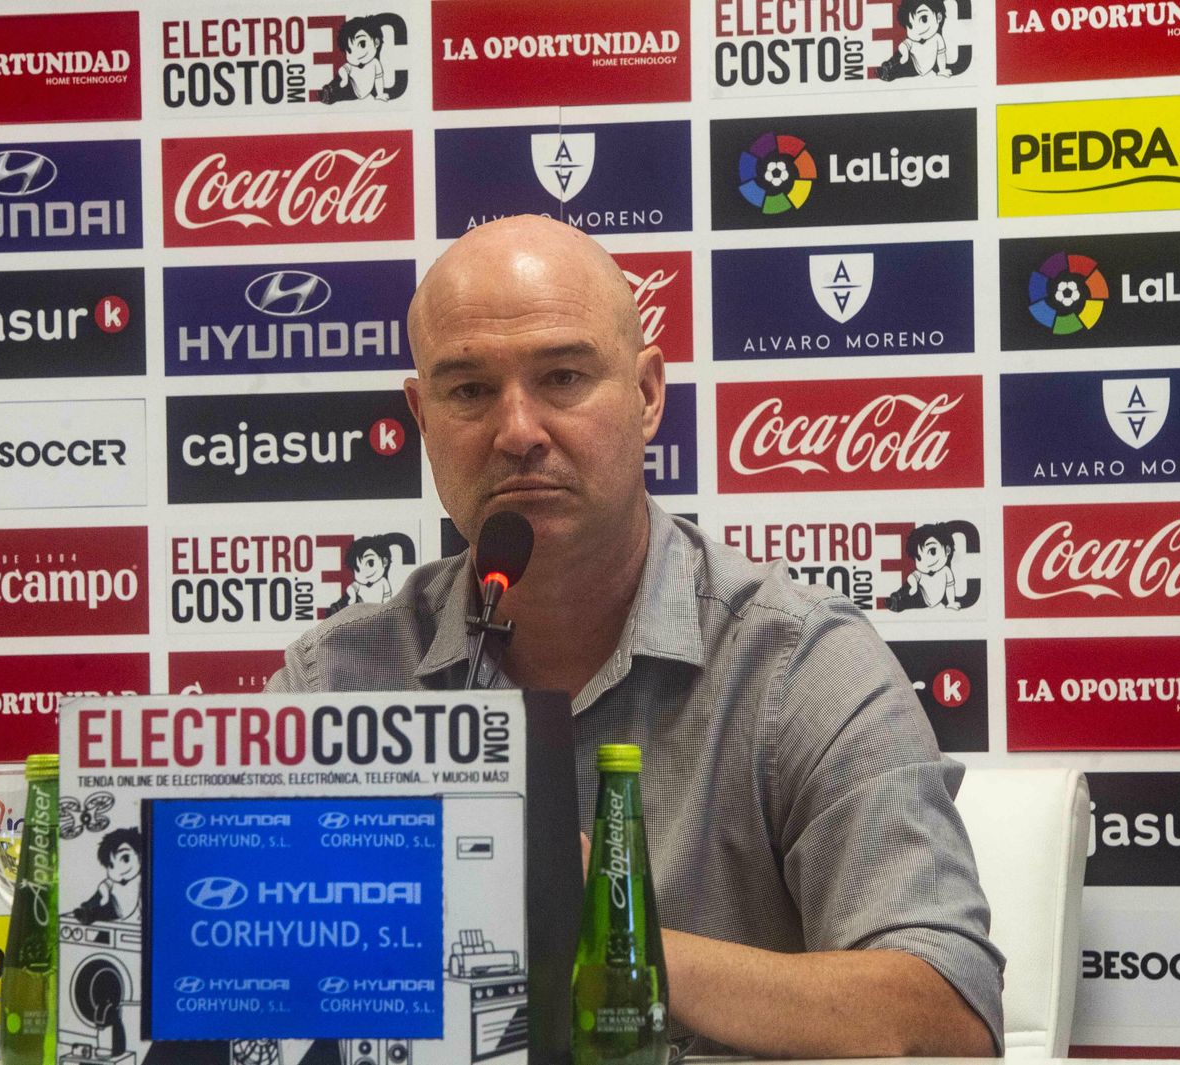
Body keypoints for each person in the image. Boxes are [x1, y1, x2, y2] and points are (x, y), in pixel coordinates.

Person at [267, 216, 1003, 1057]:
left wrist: (607, 932)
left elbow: (946, 1021)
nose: (517, 430)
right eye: (469, 390)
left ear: (649, 394)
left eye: (564, 376)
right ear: (420, 416)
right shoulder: (338, 682)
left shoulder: (796, 664)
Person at [69, 826, 143, 925]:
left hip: (122, 911)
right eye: (111, 866)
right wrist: (105, 895)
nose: (119, 869)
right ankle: (87, 909)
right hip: (112, 905)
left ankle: (89, 912)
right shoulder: (112, 882)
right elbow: (103, 887)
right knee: (101, 895)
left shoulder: (141, 879)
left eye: (125, 858)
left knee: (103, 912)